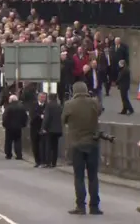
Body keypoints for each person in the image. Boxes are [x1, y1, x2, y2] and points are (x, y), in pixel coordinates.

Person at [61, 81, 103, 215]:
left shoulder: (69, 105)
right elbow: (100, 111)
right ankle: (94, 206)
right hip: (93, 143)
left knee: (79, 176)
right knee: (93, 176)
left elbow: (63, 120)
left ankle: (81, 205)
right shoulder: (94, 102)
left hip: (77, 144)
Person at [2, 95, 27, 160]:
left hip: (9, 127)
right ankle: (19, 155)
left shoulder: (8, 107)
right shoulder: (21, 107)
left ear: (12, 100)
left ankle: (8, 154)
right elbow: (25, 117)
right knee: (18, 141)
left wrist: (4, 124)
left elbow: (5, 117)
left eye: (9, 99)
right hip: (18, 127)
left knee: (8, 141)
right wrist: (23, 124)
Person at [41, 93, 63, 168]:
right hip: (58, 129)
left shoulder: (48, 106)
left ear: (49, 98)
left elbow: (46, 117)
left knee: (48, 146)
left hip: (50, 129)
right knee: (55, 146)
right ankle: (54, 162)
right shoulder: (59, 106)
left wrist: (43, 127)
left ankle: (48, 162)